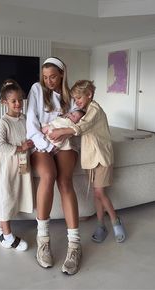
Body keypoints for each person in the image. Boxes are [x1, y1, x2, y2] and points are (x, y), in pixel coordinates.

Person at [49, 80, 126, 244]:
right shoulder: (82, 110)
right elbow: (74, 125)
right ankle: (100, 225)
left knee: (99, 193)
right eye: (74, 99)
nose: (76, 102)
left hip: (102, 157)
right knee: (96, 195)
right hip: (90, 158)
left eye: (78, 98)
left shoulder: (94, 110)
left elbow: (82, 127)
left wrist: (62, 130)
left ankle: (115, 221)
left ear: (89, 95)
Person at [26, 57, 82, 275]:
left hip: (65, 141)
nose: (49, 80)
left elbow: (79, 120)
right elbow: (31, 123)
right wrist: (45, 146)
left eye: (53, 77)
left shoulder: (70, 95)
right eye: (45, 77)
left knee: (65, 181)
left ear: (61, 75)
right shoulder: (37, 90)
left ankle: (75, 245)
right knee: (48, 175)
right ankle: (43, 240)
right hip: (41, 142)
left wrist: (64, 133)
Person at [0, 79, 34, 251]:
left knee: (14, 195)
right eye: (13, 101)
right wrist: (20, 147)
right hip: (6, 166)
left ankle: (0, 231)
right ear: (4, 102)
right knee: (6, 197)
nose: (18, 103)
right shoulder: (4, 122)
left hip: (21, 165)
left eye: (20, 99)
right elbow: (0, 145)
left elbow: (29, 135)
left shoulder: (24, 118)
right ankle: (7, 235)